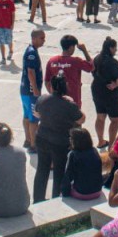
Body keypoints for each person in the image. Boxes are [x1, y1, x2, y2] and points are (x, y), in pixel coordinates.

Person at [33, 75, 86, 203]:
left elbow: (37, 113)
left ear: (51, 87)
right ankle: (56, 199)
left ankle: (38, 199)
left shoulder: (42, 99)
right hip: (60, 142)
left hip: (42, 138)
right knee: (59, 171)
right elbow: (81, 119)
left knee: (42, 169)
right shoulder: (69, 104)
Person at [91, 37, 118, 149]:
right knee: (115, 120)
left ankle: (100, 141)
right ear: (110, 48)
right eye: (115, 48)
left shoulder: (96, 58)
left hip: (97, 91)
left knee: (100, 116)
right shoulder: (113, 62)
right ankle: (111, 145)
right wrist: (115, 84)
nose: (116, 50)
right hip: (111, 95)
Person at [44, 35, 93, 108]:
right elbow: (91, 67)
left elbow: (46, 81)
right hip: (73, 101)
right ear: (71, 47)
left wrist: (53, 94)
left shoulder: (52, 61)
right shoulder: (76, 61)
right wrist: (84, 50)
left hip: (57, 101)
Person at [21, 29, 46, 153]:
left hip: (25, 90)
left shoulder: (31, 50)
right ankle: (33, 144)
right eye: (41, 38)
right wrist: (36, 89)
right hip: (31, 92)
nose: (43, 41)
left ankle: (27, 139)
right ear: (34, 38)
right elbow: (31, 72)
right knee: (34, 119)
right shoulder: (32, 53)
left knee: (26, 116)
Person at [61, 128, 104, 200]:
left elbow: (68, 176)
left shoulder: (73, 154)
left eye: (71, 138)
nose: (69, 139)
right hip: (97, 191)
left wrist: (64, 193)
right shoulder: (94, 151)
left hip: (82, 193)